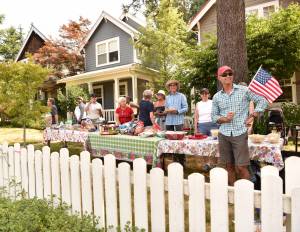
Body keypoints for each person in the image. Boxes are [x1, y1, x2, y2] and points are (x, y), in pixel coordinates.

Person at [211, 65, 268, 185]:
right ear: (219, 78)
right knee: (228, 166)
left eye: (230, 74)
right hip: (224, 134)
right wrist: (225, 119)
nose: (228, 76)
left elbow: (263, 100)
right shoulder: (217, 97)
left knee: (241, 167)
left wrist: (254, 114)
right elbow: (214, 117)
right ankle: (233, 193)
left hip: (240, 133)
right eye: (224, 75)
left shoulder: (244, 90)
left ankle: (246, 194)